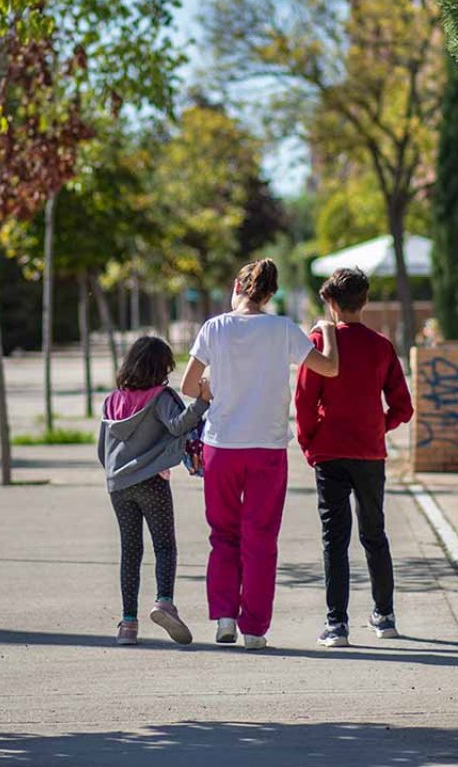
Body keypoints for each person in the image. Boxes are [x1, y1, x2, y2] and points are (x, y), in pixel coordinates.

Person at [182, 259, 339, 650]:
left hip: (221, 444)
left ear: (238, 286)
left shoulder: (213, 328)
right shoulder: (283, 329)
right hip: (267, 448)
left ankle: (223, 617)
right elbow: (330, 369)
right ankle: (254, 628)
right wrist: (328, 331)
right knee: (261, 538)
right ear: (270, 294)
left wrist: (213, 392)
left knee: (223, 535)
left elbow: (188, 385)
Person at [296, 268, 414, 647]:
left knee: (335, 539)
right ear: (364, 301)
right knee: (374, 534)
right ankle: (385, 616)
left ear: (330, 303)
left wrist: (309, 442)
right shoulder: (381, 346)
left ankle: (336, 624)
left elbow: (303, 400)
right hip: (369, 452)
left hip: (329, 452)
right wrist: (380, 424)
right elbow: (403, 406)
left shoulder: (319, 342)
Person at [97, 336, 211, 646]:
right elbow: (177, 425)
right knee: (164, 546)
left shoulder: (112, 400)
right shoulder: (161, 397)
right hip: (152, 482)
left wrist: (115, 473)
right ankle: (164, 602)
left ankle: (128, 625)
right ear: (161, 367)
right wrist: (202, 402)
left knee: (130, 551)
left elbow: (101, 449)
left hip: (118, 486)